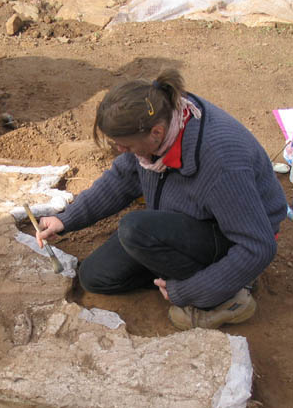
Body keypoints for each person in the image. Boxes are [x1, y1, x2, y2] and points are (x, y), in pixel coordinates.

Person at [36, 69, 288, 330]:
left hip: (233, 236)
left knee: (134, 229)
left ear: (156, 133)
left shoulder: (221, 164)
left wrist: (190, 291)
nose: (121, 151)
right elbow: (123, 177)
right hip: (181, 223)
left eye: (127, 146)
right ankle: (187, 275)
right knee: (95, 277)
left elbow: (257, 246)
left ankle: (230, 294)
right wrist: (66, 219)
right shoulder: (161, 122)